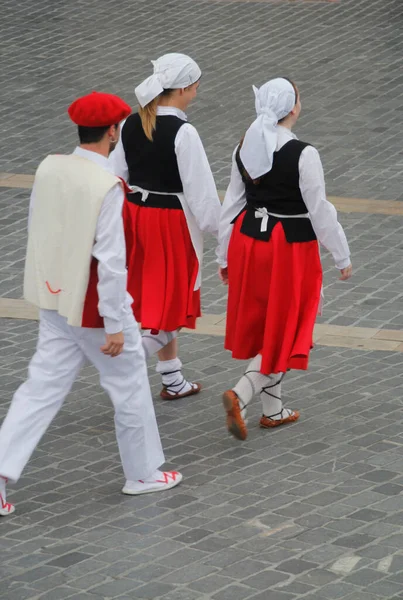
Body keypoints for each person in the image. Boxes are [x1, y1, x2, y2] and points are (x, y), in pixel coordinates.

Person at [0, 91, 183, 517]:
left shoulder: (49, 167)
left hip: (55, 298)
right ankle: (141, 474)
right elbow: (112, 264)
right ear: (114, 131)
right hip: (95, 310)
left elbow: (38, 228)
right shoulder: (108, 186)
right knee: (130, 386)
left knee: (40, 389)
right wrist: (117, 323)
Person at [217, 77, 352, 441]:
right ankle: (241, 394)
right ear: (294, 108)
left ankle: (273, 410)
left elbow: (232, 202)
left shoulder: (243, 146)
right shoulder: (304, 154)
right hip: (289, 245)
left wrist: (223, 255)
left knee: (268, 324)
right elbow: (319, 211)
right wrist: (341, 255)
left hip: (248, 241)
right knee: (289, 326)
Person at [110, 53, 221, 400]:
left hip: (136, 217)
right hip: (171, 222)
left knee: (156, 301)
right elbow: (201, 192)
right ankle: (126, 366)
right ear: (185, 88)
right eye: (196, 85)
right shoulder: (183, 131)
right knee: (171, 305)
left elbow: (116, 176)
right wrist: (224, 235)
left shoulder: (131, 122)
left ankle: (172, 379)